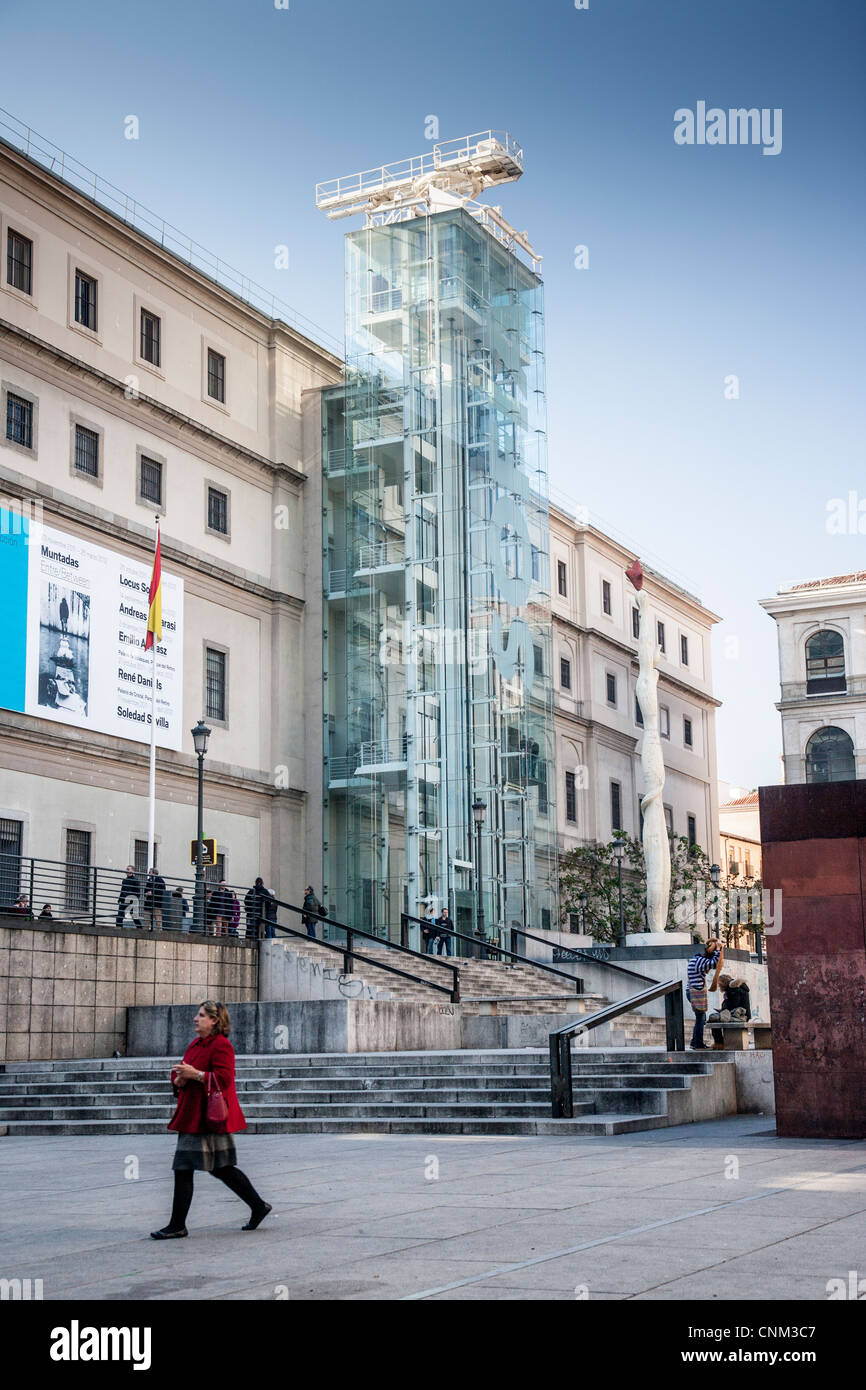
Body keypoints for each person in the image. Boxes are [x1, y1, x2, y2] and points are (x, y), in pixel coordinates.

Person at [150, 999, 271, 1240]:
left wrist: (196, 1074)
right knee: (221, 1168)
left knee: (185, 1167)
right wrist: (179, 1080)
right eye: (198, 1015)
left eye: (202, 1015)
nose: (196, 1019)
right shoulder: (196, 1044)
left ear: (215, 1021)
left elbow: (225, 1079)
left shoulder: (221, 1046)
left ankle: (177, 1225)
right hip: (193, 1114)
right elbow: (186, 1074)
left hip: (208, 1117)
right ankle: (258, 1206)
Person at [686, 936, 723, 1050]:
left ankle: (694, 1042)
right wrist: (718, 949)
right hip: (696, 992)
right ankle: (698, 1044)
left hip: (692, 991)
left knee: (701, 1018)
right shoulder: (701, 961)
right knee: (700, 1018)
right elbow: (715, 963)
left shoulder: (696, 959)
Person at [710, 974, 752, 1048]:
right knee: (716, 1019)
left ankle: (719, 1043)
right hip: (743, 1014)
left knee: (713, 1019)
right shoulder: (737, 987)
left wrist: (724, 1006)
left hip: (740, 1016)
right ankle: (719, 1043)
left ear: (723, 983)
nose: (719, 987)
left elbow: (734, 1004)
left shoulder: (733, 989)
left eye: (719, 985)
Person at [144, 867, 166, 931]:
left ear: (154, 873)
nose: (148, 874)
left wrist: (152, 892)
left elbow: (162, 891)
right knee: (146, 920)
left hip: (157, 903)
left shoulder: (160, 881)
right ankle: (145, 932)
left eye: (150, 872)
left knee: (158, 921)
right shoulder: (149, 881)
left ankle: (159, 932)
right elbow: (145, 890)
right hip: (148, 903)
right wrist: (146, 893)